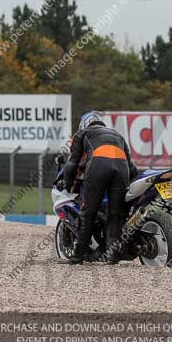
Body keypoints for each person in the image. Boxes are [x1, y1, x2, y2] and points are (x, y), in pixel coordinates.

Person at [64, 111, 138, 265]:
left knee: (88, 212)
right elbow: (132, 168)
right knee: (115, 214)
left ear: (84, 124)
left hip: (98, 166)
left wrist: (68, 184)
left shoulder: (82, 134)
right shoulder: (118, 135)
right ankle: (111, 256)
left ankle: (78, 256)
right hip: (121, 169)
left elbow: (72, 164)